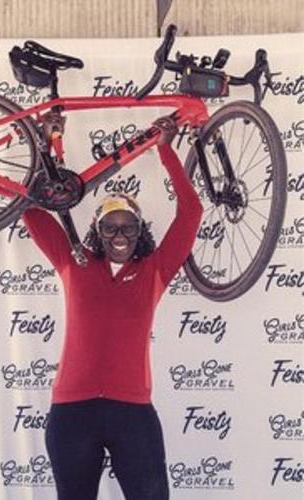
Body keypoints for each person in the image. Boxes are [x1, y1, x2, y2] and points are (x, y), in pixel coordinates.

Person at [22, 117, 203, 500]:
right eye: (110, 228)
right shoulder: (74, 261)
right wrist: (43, 144)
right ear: (97, 231)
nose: (119, 236)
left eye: (128, 227)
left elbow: (191, 213)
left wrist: (165, 149)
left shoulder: (155, 269)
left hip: (131, 411)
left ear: (141, 231)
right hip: (72, 411)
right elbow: (30, 207)